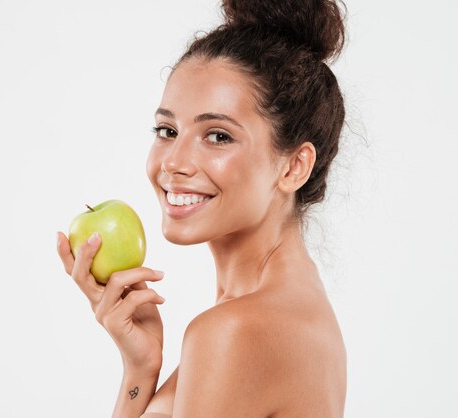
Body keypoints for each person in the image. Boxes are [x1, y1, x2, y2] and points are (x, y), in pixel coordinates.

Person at [56, 0, 348, 416]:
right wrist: (141, 369)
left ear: (293, 166)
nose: (173, 161)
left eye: (218, 136)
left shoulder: (234, 332)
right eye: (167, 130)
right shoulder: (293, 306)